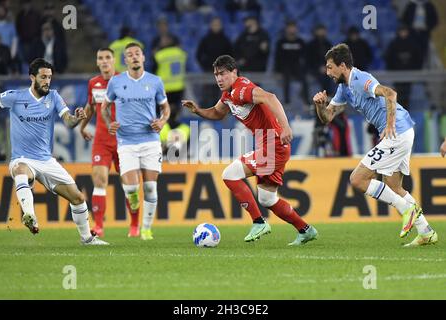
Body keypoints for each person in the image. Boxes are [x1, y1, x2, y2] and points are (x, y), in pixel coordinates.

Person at [182, 55, 318, 246]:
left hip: (274, 146)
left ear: (234, 72)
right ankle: (306, 230)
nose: (219, 78)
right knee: (267, 198)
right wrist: (197, 110)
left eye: (222, 73)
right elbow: (217, 113)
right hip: (270, 147)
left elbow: (271, 97)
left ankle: (258, 222)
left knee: (230, 174)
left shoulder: (241, 89)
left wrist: (286, 127)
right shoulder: (228, 95)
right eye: (216, 74)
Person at [313, 43, 437, 247]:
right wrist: (320, 106)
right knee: (395, 187)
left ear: (342, 65)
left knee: (357, 179)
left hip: (397, 132)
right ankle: (426, 231)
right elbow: (327, 118)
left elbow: (390, 93)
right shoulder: (344, 88)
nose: (327, 72)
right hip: (403, 132)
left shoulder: (360, 79)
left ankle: (407, 210)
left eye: (329, 67)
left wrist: (389, 126)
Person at [0, 58, 108, 245]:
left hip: (46, 161)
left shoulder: (54, 97)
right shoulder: (15, 97)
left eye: (49, 77)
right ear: (32, 77)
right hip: (22, 158)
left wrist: (77, 118)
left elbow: (68, 122)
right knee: (21, 171)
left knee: (79, 198)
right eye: (43, 77)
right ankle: (30, 215)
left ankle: (87, 239)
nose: (47, 81)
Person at [102, 43, 170, 241]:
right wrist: (109, 123)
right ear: (125, 60)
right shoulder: (115, 82)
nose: (134, 57)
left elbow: (165, 109)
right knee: (132, 189)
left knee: (150, 188)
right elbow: (105, 107)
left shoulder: (155, 81)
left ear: (144, 57)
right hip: (126, 142)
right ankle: (133, 203)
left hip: (150, 141)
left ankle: (146, 229)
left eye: (137, 54)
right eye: (130, 55)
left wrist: (162, 121)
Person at [80, 48, 139, 238]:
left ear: (114, 61)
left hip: (125, 141)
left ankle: (135, 225)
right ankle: (98, 226)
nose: (104, 61)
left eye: (108, 58)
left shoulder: (126, 80)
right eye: (100, 58)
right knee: (99, 180)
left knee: (130, 185)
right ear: (97, 62)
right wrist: (82, 127)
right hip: (102, 140)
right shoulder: (93, 83)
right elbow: (90, 107)